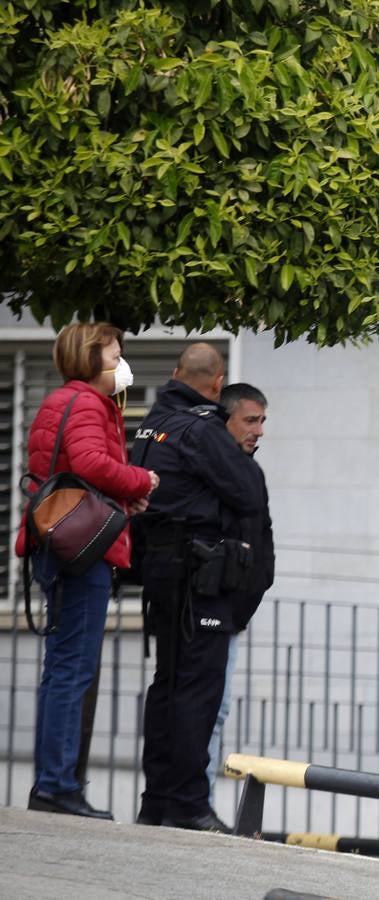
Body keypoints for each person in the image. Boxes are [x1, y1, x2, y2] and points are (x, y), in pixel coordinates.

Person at [18, 323, 158, 819]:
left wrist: (126, 496)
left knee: (62, 669)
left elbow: (79, 470)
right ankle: (57, 785)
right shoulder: (86, 404)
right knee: (71, 670)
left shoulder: (67, 401)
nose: (121, 364)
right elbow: (93, 463)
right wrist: (143, 477)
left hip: (61, 542)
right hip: (81, 552)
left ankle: (54, 782)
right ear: (90, 359)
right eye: (115, 354)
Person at [133, 344, 267, 832]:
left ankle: (157, 800)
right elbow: (248, 492)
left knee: (167, 687)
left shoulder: (151, 424)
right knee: (198, 690)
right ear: (217, 384)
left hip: (161, 571)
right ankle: (189, 803)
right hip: (199, 577)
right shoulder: (201, 427)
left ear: (174, 374)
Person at [204, 383, 274, 795]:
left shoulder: (250, 472)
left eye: (262, 421)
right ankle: (198, 799)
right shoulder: (216, 470)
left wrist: (251, 594)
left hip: (233, 610)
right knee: (209, 708)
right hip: (212, 607)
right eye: (251, 420)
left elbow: (262, 541)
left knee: (218, 708)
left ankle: (201, 798)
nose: (259, 430)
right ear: (225, 419)